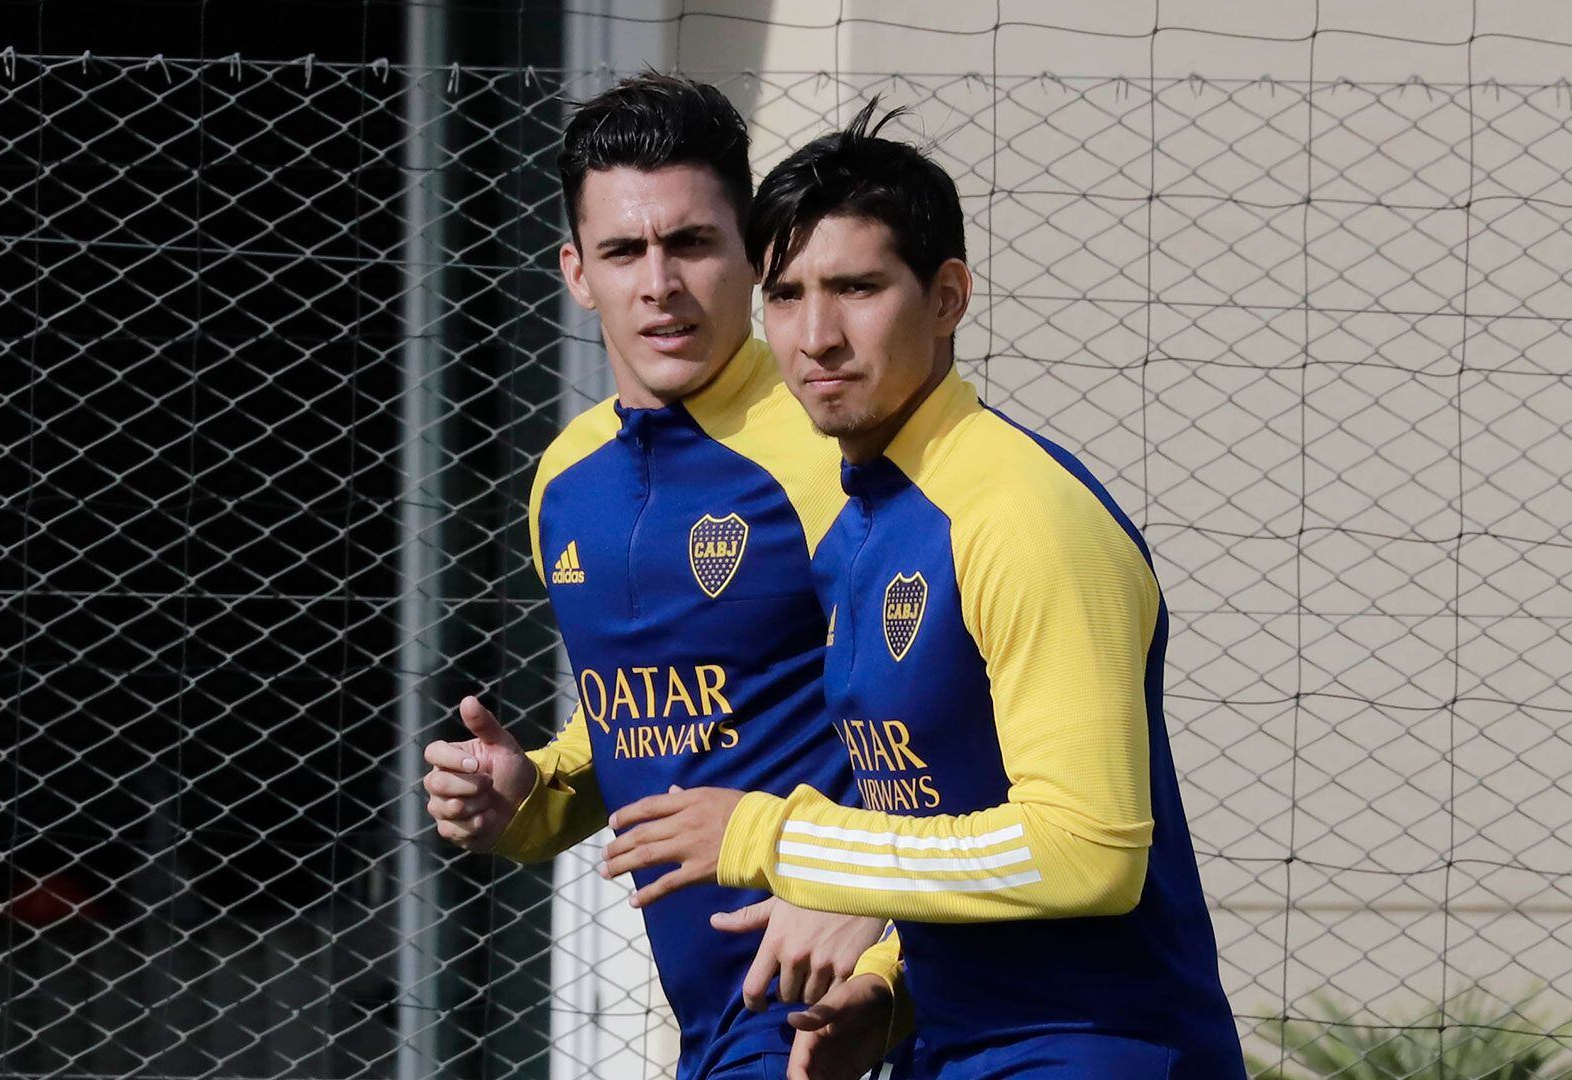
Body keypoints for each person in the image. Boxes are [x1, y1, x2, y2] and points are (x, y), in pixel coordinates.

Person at [600, 101, 1247, 1079]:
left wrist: (784, 838)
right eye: (785, 295)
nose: (816, 336)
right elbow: (946, 814)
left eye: (857, 288)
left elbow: (1088, 856)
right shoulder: (859, 523)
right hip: (951, 1048)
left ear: (948, 296)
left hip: (1098, 1053)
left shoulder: (1022, 515)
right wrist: (893, 990)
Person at [420, 75, 909, 1080]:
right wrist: (529, 798)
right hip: (710, 1026)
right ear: (575, 271)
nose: (660, 283)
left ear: (753, 255)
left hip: (837, 1012)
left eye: (691, 244)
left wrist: (891, 953)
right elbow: (654, 721)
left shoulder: (838, 447)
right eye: (624, 251)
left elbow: (950, 724)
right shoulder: (565, 479)